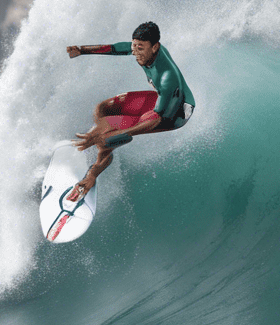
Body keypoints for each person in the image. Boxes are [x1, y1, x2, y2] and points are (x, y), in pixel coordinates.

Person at [64, 21, 194, 201]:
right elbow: (117, 48)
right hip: (164, 98)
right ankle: (106, 148)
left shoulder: (167, 76)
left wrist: (116, 134)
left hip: (175, 113)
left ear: (155, 47)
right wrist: (82, 49)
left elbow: (157, 119)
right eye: (134, 46)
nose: (135, 52)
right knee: (103, 109)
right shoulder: (145, 50)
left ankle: (92, 174)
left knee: (108, 134)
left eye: (140, 48)